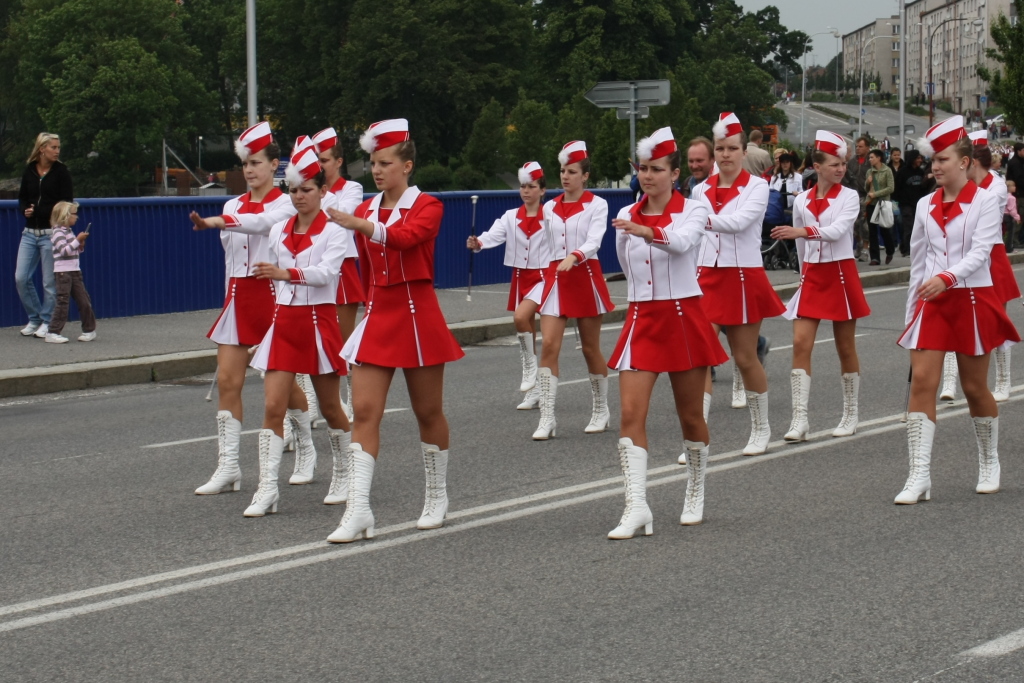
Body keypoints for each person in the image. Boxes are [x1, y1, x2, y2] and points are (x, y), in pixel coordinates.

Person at [326, 118, 464, 542]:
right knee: (365, 411)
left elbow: (405, 238)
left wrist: (362, 226)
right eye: (373, 163)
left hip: (417, 314)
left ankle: (437, 495)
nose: (377, 170)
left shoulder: (428, 206)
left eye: (385, 163)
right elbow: (367, 269)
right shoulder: (366, 209)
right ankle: (358, 509)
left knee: (428, 412)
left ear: (407, 165)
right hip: (379, 314)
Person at [605, 127, 728, 539]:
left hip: (682, 317)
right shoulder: (628, 214)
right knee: (629, 413)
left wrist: (647, 232)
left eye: (657, 169)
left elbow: (682, 243)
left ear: (675, 174)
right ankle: (636, 506)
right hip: (641, 318)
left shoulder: (694, 210)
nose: (648, 175)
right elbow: (628, 269)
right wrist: (637, 229)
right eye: (643, 168)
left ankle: (695, 489)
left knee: (690, 416)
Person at [894, 116, 1019, 505]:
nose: (935, 166)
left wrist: (947, 278)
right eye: (933, 160)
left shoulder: (985, 200)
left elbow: (982, 252)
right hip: (932, 303)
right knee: (923, 382)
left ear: (964, 162)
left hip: (971, 299)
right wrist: (911, 313)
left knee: (973, 387)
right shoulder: (924, 203)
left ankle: (989, 461)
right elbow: (918, 263)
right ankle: (918, 475)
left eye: (942, 159)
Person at [191, 123, 318, 496]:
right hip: (238, 298)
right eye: (245, 163)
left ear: (274, 164)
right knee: (228, 381)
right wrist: (228, 300)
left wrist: (216, 221)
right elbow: (231, 260)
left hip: (273, 298)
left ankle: (306, 447)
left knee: (280, 388)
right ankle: (228, 466)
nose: (249, 169)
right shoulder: (232, 204)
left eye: (256, 162)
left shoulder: (285, 204)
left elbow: (260, 225)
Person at [245, 147, 352, 517]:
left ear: (323, 191)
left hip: (318, 324)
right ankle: (267, 489)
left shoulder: (335, 230)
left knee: (330, 407)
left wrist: (285, 274)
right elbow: (274, 279)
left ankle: (345, 472)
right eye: (293, 190)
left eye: (307, 189)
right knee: (273, 406)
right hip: (284, 324)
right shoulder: (278, 230)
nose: (299, 196)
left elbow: (326, 274)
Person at [691, 113, 786, 456]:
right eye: (720, 148)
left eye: (732, 148)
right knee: (699, 358)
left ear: (744, 151)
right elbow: (692, 238)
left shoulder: (757, 187)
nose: (725, 154)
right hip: (707, 276)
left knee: (745, 358)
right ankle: (697, 436)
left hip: (742, 275)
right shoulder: (700, 189)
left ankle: (761, 428)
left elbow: (739, 222)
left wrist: (696, 219)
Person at [771, 131, 871, 440]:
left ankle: (850, 413)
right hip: (813, 274)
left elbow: (838, 231)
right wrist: (803, 273)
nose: (840, 169)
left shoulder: (849, 197)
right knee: (800, 343)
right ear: (817, 166)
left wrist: (802, 232)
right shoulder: (802, 199)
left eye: (842, 164)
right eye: (834, 164)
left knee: (845, 346)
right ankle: (799, 419)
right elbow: (801, 248)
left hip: (840, 273)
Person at [531, 141, 615, 440]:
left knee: (590, 348)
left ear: (585, 175)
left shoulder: (597, 204)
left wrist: (575, 256)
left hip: (585, 276)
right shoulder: (549, 207)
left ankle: (601, 409)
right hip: (556, 279)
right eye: (563, 171)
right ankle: (547, 418)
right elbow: (542, 243)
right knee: (548, 345)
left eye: (572, 171)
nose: (565, 176)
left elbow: (595, 240)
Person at [467, 161, 550, 410]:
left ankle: (530, 371)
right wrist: (478, 242)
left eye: (531, 186)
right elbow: (492, 235)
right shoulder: (510, 216)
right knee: (528, 329)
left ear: (542, 190)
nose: (526, 191)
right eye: (523, 186)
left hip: (545, 278)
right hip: (521, 277)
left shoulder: (552, 216)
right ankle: (535, 390)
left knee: (523, 320)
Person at [313, 127, 365, 423]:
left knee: (344, 343)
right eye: (315, 162)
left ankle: (354, 402)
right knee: (313, 340)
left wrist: (316, 194)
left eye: (324, 160)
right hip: (313, 266)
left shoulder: (351, 189)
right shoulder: (309, 189)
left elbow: (340, 215)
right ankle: (313, 405)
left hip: (342, 266)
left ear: (338, 161)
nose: (319, 166)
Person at [17, 132, 73, 339]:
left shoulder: (61, 172)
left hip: (51, 233)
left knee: (49, 282)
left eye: (58, 148)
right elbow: (23, 198)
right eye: (53, 147)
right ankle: (35, 318)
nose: (57, 151)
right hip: (29, 233)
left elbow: (66, 203)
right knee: (21, 278)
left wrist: (42, 211)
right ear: (42, 149)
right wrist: (25, 210)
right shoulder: (30, 170)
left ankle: (48, 321)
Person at [45, 201, 97, 343]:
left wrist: (80, 244)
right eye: (74, 214)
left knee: (84, 300)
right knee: (63, 302)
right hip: (63, 272)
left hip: (74, 270)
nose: (76, 217)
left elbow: (73, 250)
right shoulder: (57, 232)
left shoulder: (68, 231)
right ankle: (53, 332)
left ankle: (89, 330)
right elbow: (64, 251)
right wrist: (77, 240)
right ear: (65, 215)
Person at [895, 150, 932, 257]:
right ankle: (906, 249)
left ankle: (912, 248)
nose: (920, 160)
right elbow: (896, 188)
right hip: (906, 204)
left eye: (921, 158)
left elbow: (924, 188)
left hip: (918, 204)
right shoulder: (902, 172)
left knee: (917, 227)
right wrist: (901, 200)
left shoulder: (921, 172)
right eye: (917, 158)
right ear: (912, 159)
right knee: (908, 226)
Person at [864, 149, 896, 265]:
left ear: (879, 158)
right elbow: (866, 189)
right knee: (872, 231)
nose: (870, 160)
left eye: (872, 157)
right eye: (869, 158)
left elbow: (891, 188)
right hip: (871, 204)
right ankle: (875, 258)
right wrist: (867, 182)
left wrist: (876, 194)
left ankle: (890, 250)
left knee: (884, 229)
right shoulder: (869, 171)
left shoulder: (887, 170)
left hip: (882, 204)